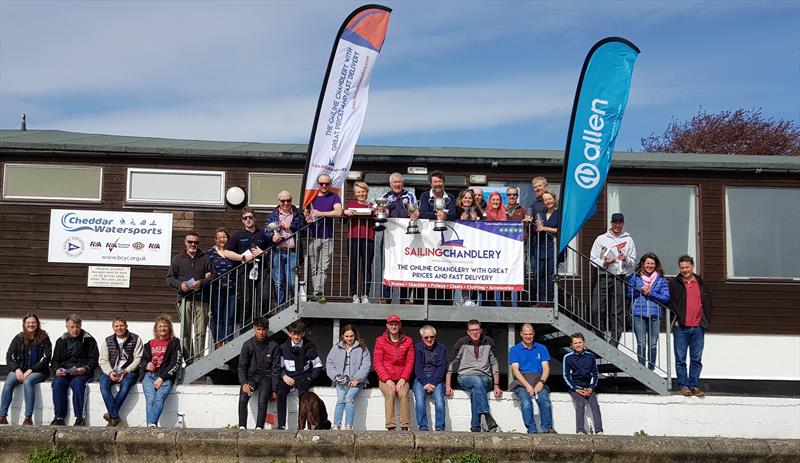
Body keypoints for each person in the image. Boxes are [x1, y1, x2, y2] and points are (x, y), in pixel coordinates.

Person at [446, 319, 502, 433]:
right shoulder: (462, 342)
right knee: (476, 382)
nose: (474, 333)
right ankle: (486, 415)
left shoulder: (489, 342)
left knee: (476, 391)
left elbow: (494, 363)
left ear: (481, 330)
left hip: (485, 378)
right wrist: (448, 385)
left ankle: (475, 427)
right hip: (465, 377)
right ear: (468, 332)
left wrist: (496, 385)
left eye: (476, 330)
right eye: (472, 330)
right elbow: (451, 362)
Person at [589, 213, 637, 346]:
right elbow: (593, 259)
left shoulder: (628, 240)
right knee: (596, 308)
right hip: (603, 276)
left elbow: (633, 263)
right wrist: (604, 262)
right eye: (615, 222)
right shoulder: (601, 238)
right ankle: (600, 338)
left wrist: (625, 258)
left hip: (620, 278)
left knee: (618, 311)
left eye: (620, 223)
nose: (617, 225)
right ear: (611, 223)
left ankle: (614, 341)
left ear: (623, 224)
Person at [166, 231, 214, 362]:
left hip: (201, 299)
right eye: (190, 242)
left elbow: (213, 276)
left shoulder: (205, 258)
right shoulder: (178, 259)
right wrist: (180, 285)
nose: (193, 244)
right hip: (184, 299)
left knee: (201, 332)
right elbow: (169, 278)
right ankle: (188, 361)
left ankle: (199, 360)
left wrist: (202, 282)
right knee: (185, 332)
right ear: (185, 243)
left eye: (196, 242)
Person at [669, 255, 713, 397]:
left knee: (696, 359)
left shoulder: (701, 283)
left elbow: (708, 303)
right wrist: (673, 319)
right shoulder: (674, 284)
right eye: (682, 268)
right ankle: (684, 386)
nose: (685, 270)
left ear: (692, 266)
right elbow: (668, 303)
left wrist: (705, 322)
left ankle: (693, 385)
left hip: (698, 328)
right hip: (681, 328)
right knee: (680, 359)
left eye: (687, 267)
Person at [0, 313, 51, 426]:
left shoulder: (44, 339)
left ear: (37, 324)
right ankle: (2, 416)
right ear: (24, 324)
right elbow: (9, 356)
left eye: (33, 322)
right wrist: (17, 369)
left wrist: (30, 370)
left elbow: (46, 358)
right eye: (28, 323)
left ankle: (28, 418)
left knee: (28, 382)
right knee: (8, 382)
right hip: (20, 370)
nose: (31, 325)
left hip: (39, 371)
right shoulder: (18, 338)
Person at [50, 314, 98, 426]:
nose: (75, 329)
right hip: (65, 371)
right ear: (67, 327)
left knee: (77, 384)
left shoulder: (89, 340)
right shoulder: (61, 341)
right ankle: (59, 417)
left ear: (81, 326)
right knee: (57, 383)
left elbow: (94, 360)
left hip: (82, 372)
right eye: (72, 327)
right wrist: (56, 370)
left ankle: (79, 417)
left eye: (77, 327)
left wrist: (85, 368)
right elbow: (55, 360)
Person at [224, 207, 268, 330]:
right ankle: (246, 329)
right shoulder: (237, 235)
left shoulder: (263, 233)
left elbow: (272, 250)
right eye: (245, 218)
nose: (248, 220)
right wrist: (243, 257)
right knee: (246, 300)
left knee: (263, 297)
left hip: (262, 270)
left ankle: (262, 326)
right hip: (244, 271)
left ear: (255, 219)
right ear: (243, 221)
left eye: (250, 217)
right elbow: (226, 252)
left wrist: (262, 253)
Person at [275, 320, 323, 430]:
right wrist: (283, 376)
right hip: (288, 377)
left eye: (299, 334)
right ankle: (281, 425)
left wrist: (309, 377)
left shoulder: (309, 347)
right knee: (281, 392)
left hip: (303, 377)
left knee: (303, 396)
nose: (296, 337)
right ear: (289, 333)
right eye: (293, 334)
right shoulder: (283, 348)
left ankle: (302, 426)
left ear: (303, 333)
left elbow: (318, 365)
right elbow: (279, 366)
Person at [508, 323, 555, 434]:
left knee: (545, 401)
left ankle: (547, 428)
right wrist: (527, 385)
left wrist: (541, 382)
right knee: (526, 402)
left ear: (533, 334)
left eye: (530, 334)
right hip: (521, 382)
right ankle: (532, 430)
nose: (528, 336)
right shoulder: (515, 349)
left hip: (538, 380)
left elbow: (546, 368)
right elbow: (515, 370)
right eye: (525, 334)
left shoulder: (542, 348)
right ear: (521, 334)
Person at [628, 253, 671, 370]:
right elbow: (629, 294)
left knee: (652, 344)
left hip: (655, 315)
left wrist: (651, 293)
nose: (650, 266)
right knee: (641, 343)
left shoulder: (661, 279)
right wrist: (640, 290)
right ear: (642, 264)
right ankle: (642, 369)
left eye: (652, 263)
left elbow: (666, 298)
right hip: (638, 314)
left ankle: (650, 369)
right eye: (648, 263)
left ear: (656, 265)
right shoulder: (635, 277)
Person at [304, 173, 343, 303]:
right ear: (317, 183)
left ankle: (318, 292)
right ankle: (318, 293)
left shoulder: (334, 197)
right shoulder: (311, 197)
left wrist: (321, 214)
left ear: (330, 184)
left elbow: (338, 212)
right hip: (313, 236)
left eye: (327, 183)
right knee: (314, 267)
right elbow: (306, 213)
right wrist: (308, 217)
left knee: (323, 267)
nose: (324, 186)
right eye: (322, 183)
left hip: (328, 237)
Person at [98, 317, 143, 427]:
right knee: (103, 384)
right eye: (116, 326)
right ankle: (115, 416)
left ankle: (111, 415)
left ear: (126, 326)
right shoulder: (108, 341)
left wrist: (126, 371)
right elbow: (103, 360)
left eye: (121, 325)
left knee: (126, 385)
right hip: (111, 371)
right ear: (113, 328)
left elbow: (138, 358)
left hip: (130, 372)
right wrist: (109, 372)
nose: (119, 328)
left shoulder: (136, 339)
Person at [380, 173, 417, 305]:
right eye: (394, 182)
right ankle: (386, 296)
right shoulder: (385, 196)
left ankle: (405, 297)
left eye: (399, 182)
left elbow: (414, 210)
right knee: (387, 265)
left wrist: (415, 214)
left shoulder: (410, 195)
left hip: (406, 237)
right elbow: (380, 211)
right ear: (390, 184)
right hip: (389, 236)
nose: (397, 184)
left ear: (403, 183)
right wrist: (382, 211)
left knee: (406, 265)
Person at [326, 324, 371, 430]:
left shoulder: (362, 348)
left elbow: (366, 365)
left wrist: (357, 379)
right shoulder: (336, 348)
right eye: (346, 336)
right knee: (340, 400)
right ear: (343, 336)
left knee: (348, 398)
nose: (349, 338)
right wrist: (336, 377)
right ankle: (336, 425)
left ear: (355, 335)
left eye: (351, 336)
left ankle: (348, 426)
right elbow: (329, 363)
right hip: (341, 381)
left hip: (356, 381)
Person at [373, 314, 414, 431]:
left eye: (396, 324)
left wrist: (403, 378)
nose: (393, 326)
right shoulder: (380, 341)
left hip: (402, 378)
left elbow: (409, 362)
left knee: (403, 394)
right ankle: (390, 426)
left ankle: (405, 426)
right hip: (386, 378)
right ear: (387, 325)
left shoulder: (408, 341)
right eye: (391, 324)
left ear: (399, 325)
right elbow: (377, 363)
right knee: (390, 393)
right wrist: (387, 379)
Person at [237, 317, 279, 429]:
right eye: (259, 329)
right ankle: (242, 427)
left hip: (266, 377)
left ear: (268, 329)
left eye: (264, 329)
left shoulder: (273, 345)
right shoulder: (247, 345)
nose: (262, 332)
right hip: (251, 377)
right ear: (254, 329)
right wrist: (243, 383)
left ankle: (259, 428)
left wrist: (275, 389)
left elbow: (276, 369)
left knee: (262, 399)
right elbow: (241, 367)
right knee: (242, 398)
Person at [265, 191, 305, 307]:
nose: (286, 203)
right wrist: (272, 237)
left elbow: (304, 229)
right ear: (279, 202)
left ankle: (294, 306)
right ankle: (281, 309)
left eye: (288, 200)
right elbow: (266, 231)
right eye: (283, 201)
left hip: (292, 252)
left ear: (291, 201)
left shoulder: (298, 214)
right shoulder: (272, 215)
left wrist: (291, 227)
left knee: (292, 282)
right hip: (277, 252)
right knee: (278, 283)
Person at [141, 314, 182, 427]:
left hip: (166, 377)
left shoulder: (174, 343)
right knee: (151, 399)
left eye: (165, 326)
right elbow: (143, 360)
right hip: (149, 376)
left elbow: (175, 362)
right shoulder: (149, 344)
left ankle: (151, 424)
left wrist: (161, 378)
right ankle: (152, 425)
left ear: (169, 328)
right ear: (156, 329)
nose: (163, 329)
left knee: (159, 398)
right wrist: (146, 365)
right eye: (160, 326)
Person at [563, 332, 603, 435]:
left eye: (580, 342)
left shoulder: (590, 356)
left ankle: (599, 431)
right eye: (575, 343)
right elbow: (566, 375)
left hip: (589, 388)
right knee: (580, 404)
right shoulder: (567, 357)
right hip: (575, 388)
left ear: (584, 343)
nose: (578, 345)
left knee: (595, 405)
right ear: (572, 345)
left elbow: (595, 374)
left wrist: (591, 388)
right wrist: (575, 388)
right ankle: (580, 430)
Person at [478, 191, 513, 307]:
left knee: (500, 276)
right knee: (486, 275)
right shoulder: (484, 213)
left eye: (498, 200)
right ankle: (484, 301)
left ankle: (500, 302)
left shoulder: (505, 213)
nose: (495, 202)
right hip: (486, 249)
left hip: (501, 250)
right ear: (489, 200)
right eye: (493, 199)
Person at [343, 182, 376, 304]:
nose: (361, 194)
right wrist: (345, 212)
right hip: (353, 238)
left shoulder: (373, 205)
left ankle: (365, 294)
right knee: (353, 267)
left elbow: (380, 215)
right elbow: (343, 213)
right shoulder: (351, 204)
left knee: (367, 267)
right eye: (358, 192)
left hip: (369, 238)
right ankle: (355, 295)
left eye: (363, 191)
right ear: (355, 193)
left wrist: (377, 212)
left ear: (367, 192)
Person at [412, 325, 447, 432]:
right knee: (419, 400)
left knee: (440, 400)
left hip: (436, 377)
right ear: (422, 337)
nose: (429, 339)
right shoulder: (417, 348)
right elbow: (417, 367)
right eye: (426, 337)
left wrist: (433, 383)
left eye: (431, 337)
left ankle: (440, 427)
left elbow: (443, 367)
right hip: (420, 377)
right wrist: (424, 383)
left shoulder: (441, 348)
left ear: (435, 336)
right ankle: (423, 427)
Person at [208, 227, 236, 348]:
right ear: (215, 239)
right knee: (218, 316)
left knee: (229, 316)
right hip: (216, 289)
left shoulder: (232, 252)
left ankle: (228, 342)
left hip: (232, 288)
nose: (222, 240)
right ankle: (218, 343)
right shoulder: (209, 254)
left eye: (224, 237)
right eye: (219, 237)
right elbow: (205, 268)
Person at [533, 190, 560, 306]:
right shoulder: (541, 214)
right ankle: (541, 299)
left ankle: (550, 300)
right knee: (539, 275)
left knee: (550, 275)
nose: (548, 201)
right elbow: (537, 230)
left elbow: (560, 231)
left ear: (554, 200)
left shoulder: (559, 214)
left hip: (552, 248)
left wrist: (545, 229)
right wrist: (536, 226)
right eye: (545, 200)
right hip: (540, 247)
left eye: (549, 199)